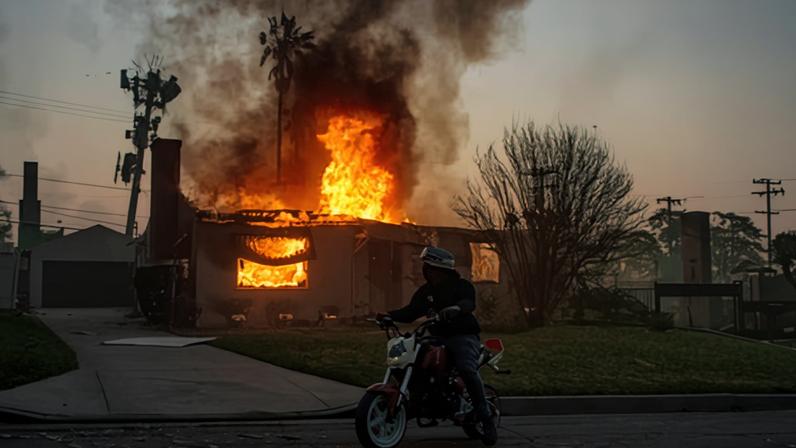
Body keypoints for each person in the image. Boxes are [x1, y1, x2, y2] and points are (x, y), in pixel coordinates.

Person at [377, 246, 498, 446]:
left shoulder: (462, 286)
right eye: (427, 268)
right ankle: (418, 400)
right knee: (413, 361)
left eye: (430, 267)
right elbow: (410, 312)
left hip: (462, 336)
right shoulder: (426, 292)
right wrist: (389, 315)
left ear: (441, 269)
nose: (427, 271)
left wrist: (456, 309)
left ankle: (486, 420)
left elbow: (469, 303)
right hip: (437, 337)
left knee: (467, 370)